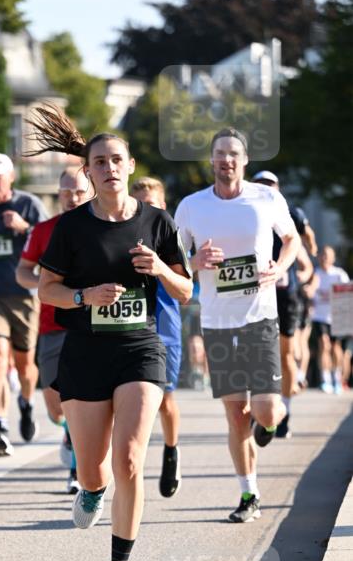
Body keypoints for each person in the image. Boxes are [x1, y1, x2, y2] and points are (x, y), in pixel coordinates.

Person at [29, 105, 192, 561]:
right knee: (93, 470)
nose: (109, 168)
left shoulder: (158, 222)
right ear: (89, 171)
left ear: (131, 165)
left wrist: (160, 270)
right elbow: (45, 290)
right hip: (85, 352)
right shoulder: (72, 227)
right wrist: (83, 297)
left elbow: (186, 291)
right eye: (99, 161)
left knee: (128, 460)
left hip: (140, 348)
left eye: (116, 159)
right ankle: (91, 492)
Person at [175, 129, 301, 524]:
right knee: (235, 415)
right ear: (211, 160)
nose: (226, 160)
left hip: (259, 317)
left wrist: (279, 268)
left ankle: (266, 424)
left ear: (244, 161)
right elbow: (174, 256)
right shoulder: (192, 206)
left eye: (233, 154)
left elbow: (291, 238)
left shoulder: (265, 198)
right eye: (220, 154)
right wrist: (194, 264)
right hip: (216, 322)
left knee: (264, 411)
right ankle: (250, 493)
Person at [16, 166, 92, 494]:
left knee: (83, 399)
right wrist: (45, 286)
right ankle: (67, 432)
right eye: (66, 192)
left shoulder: (100, 227)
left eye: (78, 191)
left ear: (89, 192)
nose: (72, 198)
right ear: (58, 194)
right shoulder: (45, 230)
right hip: (52, 324)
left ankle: (77, 471)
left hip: (93, 325)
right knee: (56, 404)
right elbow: (22, 271)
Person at [0, 152, 48, 456]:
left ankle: (26, 404)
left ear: (10, 177)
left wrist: (24, 226)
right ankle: (0, 425)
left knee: (26, 364)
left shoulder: (28, 204)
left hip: (24, 295)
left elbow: (49, 241)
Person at [251, 171, 315, 437]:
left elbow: (306, 243)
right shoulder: (244, 210)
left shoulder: (291, 212)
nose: (266, 189)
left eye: (270, 185)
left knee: (285, 352)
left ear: (278, 188)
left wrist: (304, 273)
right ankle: (261, 409)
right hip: (254, 292)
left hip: (285, 292)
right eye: (261, 185)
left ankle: (284, 412)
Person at [131, 177, 183, 497]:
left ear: (163, 207)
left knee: (165, 400)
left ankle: (171, 452)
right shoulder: (124, 236)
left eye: (153, 204)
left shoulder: (171, 238)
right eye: (141, 205)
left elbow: (186, 286)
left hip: (166, 327)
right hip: (131, 329)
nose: (147, 210)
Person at [311, 245, 350, 394]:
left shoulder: (339, 274)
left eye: (328, 255)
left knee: (336, 348)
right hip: (320, 316)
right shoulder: (316, 274)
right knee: (324, 345)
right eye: (322, 255)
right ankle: (325, 379)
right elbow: (310, 290)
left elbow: (347, 294)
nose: (325, 258)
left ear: (333, 258)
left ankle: (336, 377)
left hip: (337, 316)